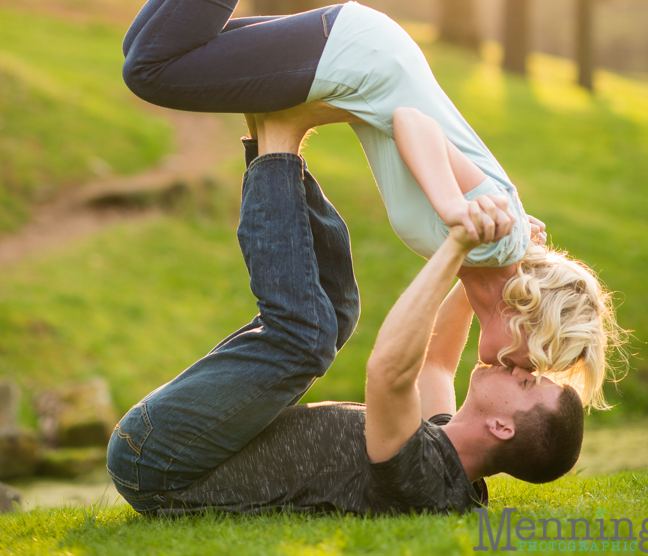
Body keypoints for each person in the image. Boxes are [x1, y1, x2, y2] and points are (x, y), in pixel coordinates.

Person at [120, 0, 623, 408]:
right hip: (359, 63)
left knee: (150, 48)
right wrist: (449, 209)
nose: (517, 370)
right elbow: (416, 124)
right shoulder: (493, 241)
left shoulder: (491, 254)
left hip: (367, 52)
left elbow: (440, 350)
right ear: (529, 322)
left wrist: (497, 232)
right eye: (533, 362)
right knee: (154, 67)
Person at [107, 117, 584, 516]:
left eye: (525, 383)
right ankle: (267, 137)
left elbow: (389, 372)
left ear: (503, 428)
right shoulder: (443, 447)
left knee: (303, 339)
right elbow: (436, 361)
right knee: (337, 311)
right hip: (184, 453)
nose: (516, 366)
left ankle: (279, 141)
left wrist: (457, 244)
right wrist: (487, 270)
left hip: (163, 461)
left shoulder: (425, 482)